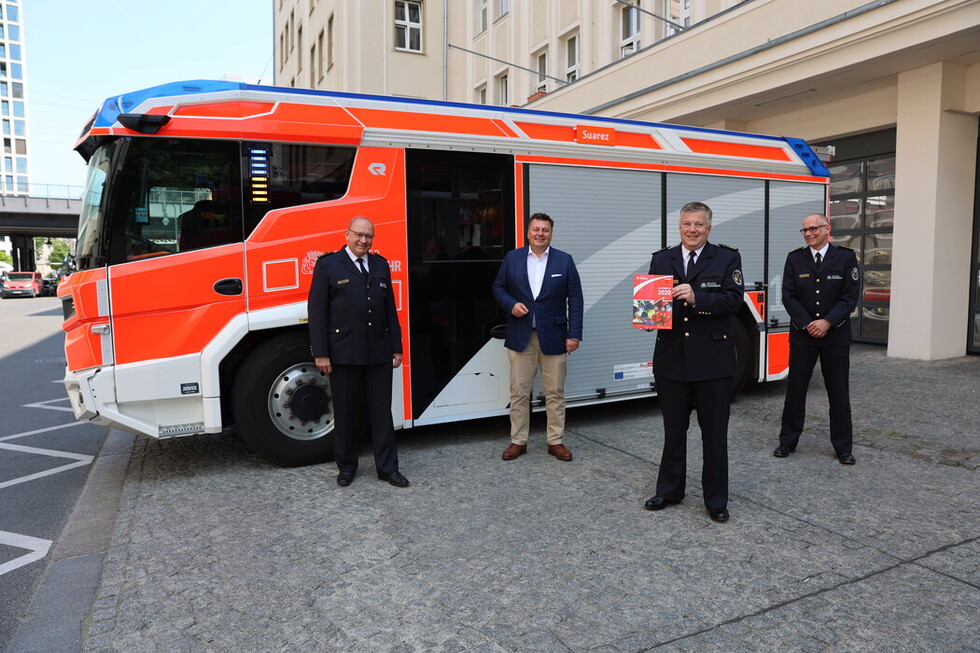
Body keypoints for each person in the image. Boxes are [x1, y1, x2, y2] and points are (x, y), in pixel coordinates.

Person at [643, 202, 744, 523]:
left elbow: (734, 300)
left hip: (713, 362)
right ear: (679, 226)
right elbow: (651, 305)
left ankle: (715, 500)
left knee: (714, 434)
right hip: (672, 361)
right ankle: (670, 490)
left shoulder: (727, 258)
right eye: (687, 224)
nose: (692, 230)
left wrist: (697, 296)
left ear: (709, 229)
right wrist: (647, 317)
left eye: (699, 225)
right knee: (673, 431)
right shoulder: (662, 259)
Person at [308, 217, 409, 487]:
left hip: (378, 351)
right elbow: (317, 313)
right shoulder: (328, 265)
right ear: (347, 234)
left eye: (369, 237)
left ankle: (387, 468)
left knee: (381, 413)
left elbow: (389, 309)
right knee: (346, 411)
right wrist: (321, 352)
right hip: (343, 352)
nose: (364, 241)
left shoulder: (380, 265)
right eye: (359, 235)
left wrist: (396, 346)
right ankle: (347, 467)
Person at [492, 213, 583, 462]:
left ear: (551, 234)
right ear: (528, 233)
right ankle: (518, 441)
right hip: (521, 336)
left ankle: (555, 441)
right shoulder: (513, 258)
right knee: (519, 392)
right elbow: (498, 288)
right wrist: (511, 305)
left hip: (554, 337)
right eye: (536, 229)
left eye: (545, 230)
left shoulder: (564, 261)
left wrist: (574, 334)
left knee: (555, 392)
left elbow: (575, 299)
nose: (540, 234)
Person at [774, 213, 860, 464]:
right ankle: (787, 441)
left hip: (836, 335)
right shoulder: (795, 259)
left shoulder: (845, 258)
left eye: (813, 228)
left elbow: (850, 296)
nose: (809, 233)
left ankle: (843, 448)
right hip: (804, 335)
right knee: (795, 391)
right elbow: (788, 296)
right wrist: (808, 323)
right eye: (805, 230)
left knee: (839, 393)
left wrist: (827, 321)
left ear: (827, 229)